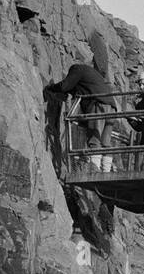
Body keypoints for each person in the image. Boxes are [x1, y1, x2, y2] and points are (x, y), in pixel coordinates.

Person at [44, 30, 118, 171]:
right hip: (112, 106)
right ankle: (106, 170)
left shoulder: (77, 69)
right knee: (105, 141)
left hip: (98, 104)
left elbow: (65, 85)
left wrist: (51, 88)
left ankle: (94, 169)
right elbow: (76, 90)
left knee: (94, 138)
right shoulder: (93, 76)